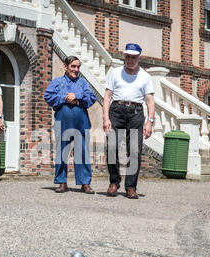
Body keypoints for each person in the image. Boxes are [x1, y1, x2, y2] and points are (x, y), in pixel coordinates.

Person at [103, 43, 156, 199]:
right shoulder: (115, 73)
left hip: (135, 113)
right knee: (112, 148)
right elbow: (107, 96)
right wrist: (106, 118)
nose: (130, 60)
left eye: (133, 57)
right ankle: (114, 182)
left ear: (139, 57)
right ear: (124, 56)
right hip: (116, 111)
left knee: (134, 150)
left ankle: (131, 187)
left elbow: (150, 100)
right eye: (127, 56)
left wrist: (150, 122)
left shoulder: (145, 76)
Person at [44, 56, 97, 194]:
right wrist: (65, 98)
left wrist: (77, 97)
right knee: (62, 151)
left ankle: (85, 183)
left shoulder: (83, 83)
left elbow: (92, 97)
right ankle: (62, 182)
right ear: (65, 67)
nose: (76, 69)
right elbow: (48, 96)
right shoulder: (57, 82)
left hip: (81, 122)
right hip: (63, 121)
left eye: (78, 67)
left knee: (82, 151)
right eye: (73, 66)